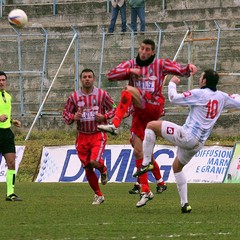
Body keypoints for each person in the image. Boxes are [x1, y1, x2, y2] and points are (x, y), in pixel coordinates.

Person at [98, 38, 197, 207]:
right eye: (142, 48)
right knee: (138, 152)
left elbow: (179, 69)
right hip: (139, 112)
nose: (144, 52)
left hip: (154, 105)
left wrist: (188, 68)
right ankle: (145, 190)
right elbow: (110, 75)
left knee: (128, 90)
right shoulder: (131, 63)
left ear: (152, 52)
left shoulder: (159, 64)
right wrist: (131, 71)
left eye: (147, 49)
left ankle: (115, 124)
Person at [134, 69, 240, 213]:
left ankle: (146, 163)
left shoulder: (199, 93)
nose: (199, 78)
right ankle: (185, 204)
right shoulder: (222, 97)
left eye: (201, 76)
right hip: (198, 144)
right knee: (177, 167)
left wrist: (172, 83)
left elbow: (173, 98)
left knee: (151, 126)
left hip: (187, 136)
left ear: (204, 81)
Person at [62, 68, 116, 205]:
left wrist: (104, 116)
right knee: (87, 167)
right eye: (84, 77)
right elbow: (65, 114)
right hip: (82, 136)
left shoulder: (102, 95)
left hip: (98, 133)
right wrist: (74, 117)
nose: (87, 79)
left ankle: (103, 170)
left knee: (93, 161)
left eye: (89, 76)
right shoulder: (74, 97)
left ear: (93, 78)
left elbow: (114, 108)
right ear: (81, 79)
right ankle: (98, 195)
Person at [0, 71, 22, 201]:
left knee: (12, 162)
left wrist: (13, 121)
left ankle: (10, 193)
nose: (1, 82)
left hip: (6, 133)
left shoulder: (8, 96)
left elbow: (5, 115)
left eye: (3, 80)